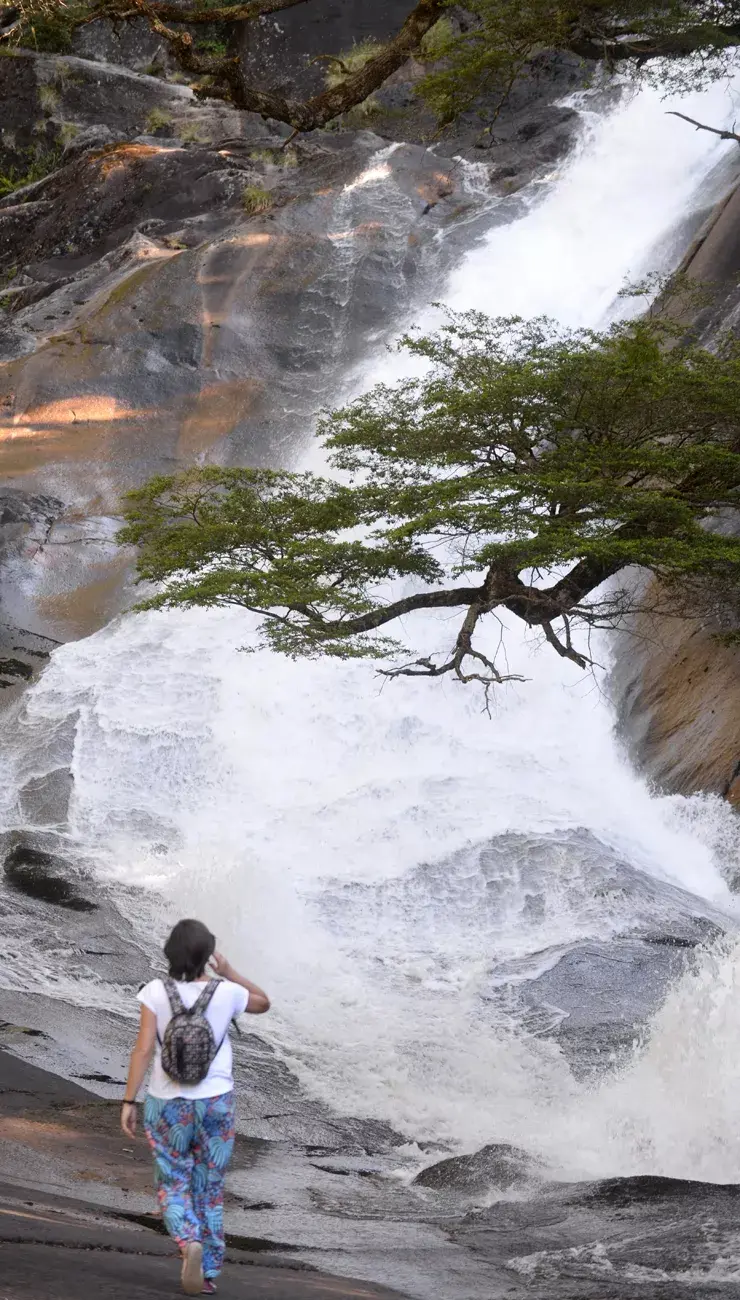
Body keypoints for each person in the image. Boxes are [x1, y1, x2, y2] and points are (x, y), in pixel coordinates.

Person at [121, 919, 270, 1295]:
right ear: (208, 955)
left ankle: (189, 1244)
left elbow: (142, 1049)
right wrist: (230, 971)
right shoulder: (227, 992)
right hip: (216, 1103)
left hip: (166, 1102)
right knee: (209, 1186)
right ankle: (206, 1274)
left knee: (173, 1182)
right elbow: (263, 1003)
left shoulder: (155, 991)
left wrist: (128, 1100)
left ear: (169, 952)